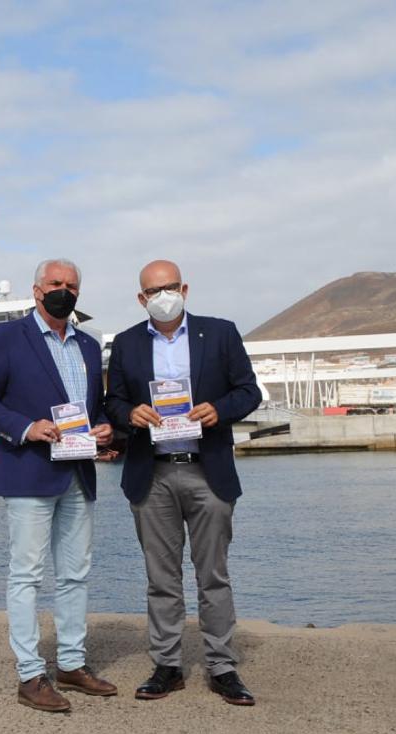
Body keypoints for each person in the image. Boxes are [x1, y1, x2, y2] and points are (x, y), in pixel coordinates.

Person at [104, 259, 262, 706]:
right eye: (154, 290)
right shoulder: (128, 343)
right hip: (151, 473)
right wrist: (129, 414)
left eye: (170, 286)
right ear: (141, 298)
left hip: (206, 468)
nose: (163, 295)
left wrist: (221, 409)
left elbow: (249, 390)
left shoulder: (221, 332)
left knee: (213, 575)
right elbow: (112, 400)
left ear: (185, 289)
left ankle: (222, 666)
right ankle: (167, 665)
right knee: (161, 578)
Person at [0, 259, 117, 713]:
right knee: (27, 575)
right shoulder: (7, 338)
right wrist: (25, 427)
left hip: (77, 471)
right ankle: (30, 675)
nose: (64, 291)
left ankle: (71, 663)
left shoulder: (89, 345)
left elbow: (97, 406)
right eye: (56, 284)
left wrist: (107, 427)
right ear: (36, 290)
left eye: (72, 285)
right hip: (28, 470)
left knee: (75, 573)